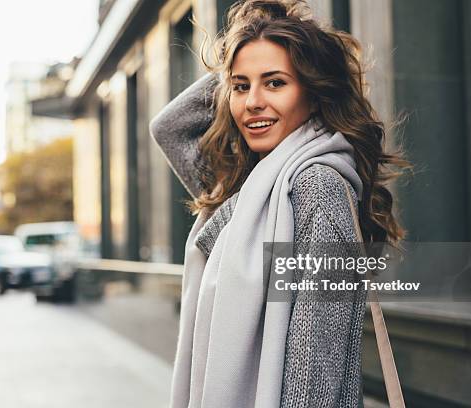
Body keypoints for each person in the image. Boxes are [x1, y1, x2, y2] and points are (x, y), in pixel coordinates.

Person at [149, 1, 408, 406]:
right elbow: (171, 128)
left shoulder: (317, 188)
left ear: (315, 91)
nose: (252, 102)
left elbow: (315, 369)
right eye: (240, 86)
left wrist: (267, 43)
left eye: (275, 83)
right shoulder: (245, 187)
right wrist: (254, 36)